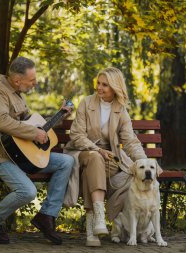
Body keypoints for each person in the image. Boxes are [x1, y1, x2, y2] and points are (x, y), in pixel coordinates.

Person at [0, 56, 74, 245]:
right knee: (27, 191)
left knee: (67, 162)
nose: (35, 83)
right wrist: (33, 133)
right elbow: (2, 122)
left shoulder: (16, 94)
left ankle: (46, 216)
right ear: (16, 80)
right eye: (31, 80)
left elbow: (34, 125)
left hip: (22, 155)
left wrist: (60, 114)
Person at [64, 67, 148, 247]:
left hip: (108, 159)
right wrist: (98, 149)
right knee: (94, 158)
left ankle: (91, 230)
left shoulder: (120, 109)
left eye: (105, 85)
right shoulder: (86, 103)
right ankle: (99, 220)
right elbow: (77, 135)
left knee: (93, 171)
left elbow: (130, 141)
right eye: (98, 83)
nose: (99, 88)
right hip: (83, 152)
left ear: (115, 87)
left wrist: (144, 162)